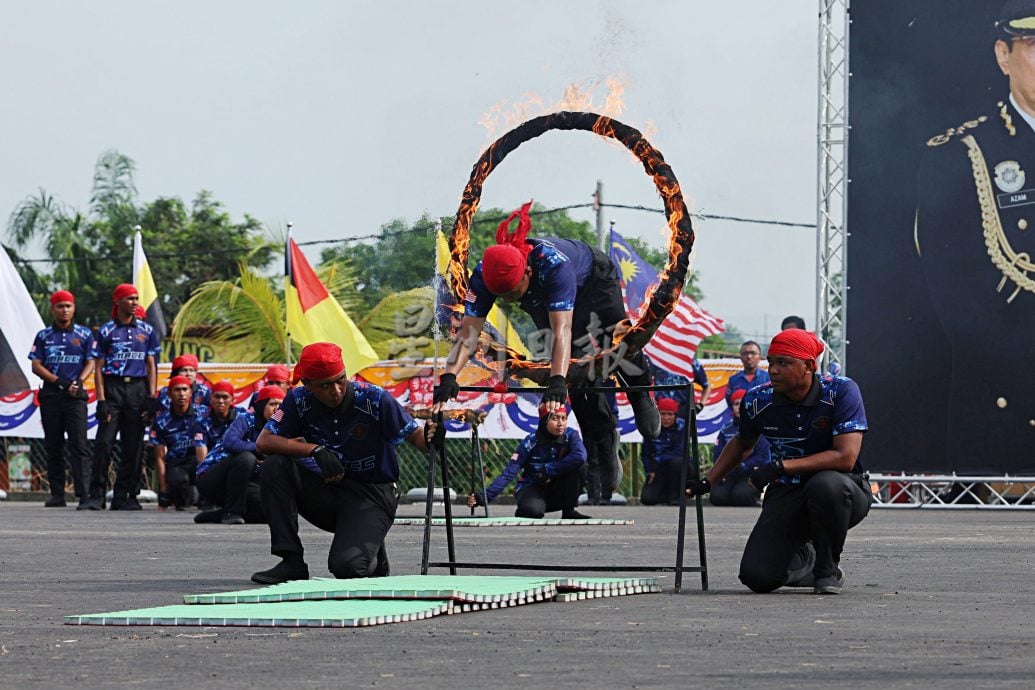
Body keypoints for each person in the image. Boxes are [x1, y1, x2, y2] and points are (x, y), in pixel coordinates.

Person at [432, 203, 661, 500]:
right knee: (576, 373)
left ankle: (640, 394)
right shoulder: (482, 276)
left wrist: (555, 381)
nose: (510, 299)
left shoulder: (553, 265)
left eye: (513, 292)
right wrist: (449, 374)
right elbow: (468, 333)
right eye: (502, 295)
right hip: (541, 296)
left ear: (526, 271)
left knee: (613, 341)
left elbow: (562, 331)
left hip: (592, 280)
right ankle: (602, 439)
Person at [914, 0, 1035, 470]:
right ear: (1003, 55)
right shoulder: (960, 155)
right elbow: (958, 302)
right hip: (1006, 407)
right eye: (1034, 46)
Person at [686, 329, 872, 595]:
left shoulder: (841, 391)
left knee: (825, 485)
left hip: (843, 490)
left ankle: (827, 570)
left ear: (809, 366)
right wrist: (708, 480)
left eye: (783, 363)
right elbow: (742, 442)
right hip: (787, 492)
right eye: (771, 362)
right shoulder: (758, 398)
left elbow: (845, 457)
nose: (773, 370)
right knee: (757, 577)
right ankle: (805, 557)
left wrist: (780, 466)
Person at [251, 342, 440, 585]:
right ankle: (291, 561)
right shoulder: (298, 400)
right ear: (308, 385)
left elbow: (416, 437)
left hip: (372, 494)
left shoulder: (374, 398)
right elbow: (264, 441)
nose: (337, 390)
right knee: (274, 465)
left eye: (340, 380)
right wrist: (314, 450)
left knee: (347, 568)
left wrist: (433, 435)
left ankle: (372, 551)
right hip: (329, 490)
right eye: (326, 385)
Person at [85, 284, 161, 511]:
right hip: (113, 389)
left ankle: (124, 495)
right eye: (130, 298)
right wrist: (101, 400)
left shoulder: (147, 331)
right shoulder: (106, 331)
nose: (135, 302)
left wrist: (151, 397)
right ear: (117, 302)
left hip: (137, 390)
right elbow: (98, 368)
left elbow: (151, 365)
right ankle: (96, 496)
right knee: (104, 444)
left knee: (134, 446)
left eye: (137, 298)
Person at [28, 290, 95, 508]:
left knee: (79, 444)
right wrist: (58, 381)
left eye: (68, 306)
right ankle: (57, 494)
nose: (64, 310)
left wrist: (79, 381)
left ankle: (84, 495)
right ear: (52, 309)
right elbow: (35, 365)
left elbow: (91, 362)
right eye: (60, 306)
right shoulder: (43, 335)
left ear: (74, 308)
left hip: (76, 396)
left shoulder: (85, 335)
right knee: (53, 444)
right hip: (51, 396)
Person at [468, 404, 590, 519]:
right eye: (555, 418)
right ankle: (528, 507)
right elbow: (508, 474)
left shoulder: (571, 435)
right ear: (544, 421)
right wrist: (483, 497)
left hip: (557, 488)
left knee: (580, 466)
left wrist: (548, 470)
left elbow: (580, 456)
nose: (560, 423)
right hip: (533, 486)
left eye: (564, 418)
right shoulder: (530, 442)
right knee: (533, 512)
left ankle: (569, 510)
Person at [195, 385, 284, 525]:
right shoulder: (246, 419)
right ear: (261, 406)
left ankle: (216, 515)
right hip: (212, 479)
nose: (277, 409)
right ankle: (232, 512)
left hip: (243, 483)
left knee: (272, 511)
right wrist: (260, 449)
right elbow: (230, 442)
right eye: (272, 404)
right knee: (247, 457)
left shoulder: (281, 429)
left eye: (281, 405)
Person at [150, 375, 208, 510]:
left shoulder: (203, 413)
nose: (181, 394)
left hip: (201, 462)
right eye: (177, 390)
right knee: (179, 490)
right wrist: (163, 490)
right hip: (177, 463)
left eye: (184, 389)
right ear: (169, 394)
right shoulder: (161, 421)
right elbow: (159, 457)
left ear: (190, 392)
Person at [710, 389, 771, 507]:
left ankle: (753, 495)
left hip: (750, 472)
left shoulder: (760, 427)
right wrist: (720, 472)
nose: (739, 407)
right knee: (717, 497)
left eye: (742, 403)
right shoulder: (725, 429)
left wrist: (744, 466)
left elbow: (763, 457)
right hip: (729, 472)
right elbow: (718, 455)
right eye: (736, 404)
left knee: (741, 496)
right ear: (732, 406)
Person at [639, 398, 687, 506]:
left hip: (677, 467)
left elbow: (679, 451)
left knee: (677, 462)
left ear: (675, 415)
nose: (666, 418)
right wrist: (649, 471)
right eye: (663, 414)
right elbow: (645, 453)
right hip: (657, 469)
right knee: (647, 499)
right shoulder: (651, 427)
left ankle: (677, 496)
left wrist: (658, 459)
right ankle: (664, 495)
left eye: (670, 414)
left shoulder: (683, 427)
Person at [647, 355, 710, 422]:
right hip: (661, 407)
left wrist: (701, 405)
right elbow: (645, 381)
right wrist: (650, 400)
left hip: (682, 408)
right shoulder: (657, 357)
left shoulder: (692, 362)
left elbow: (707, 385)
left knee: (683, 431)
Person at [194, 380, 243, 452]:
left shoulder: (242, 416)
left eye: (225, 397)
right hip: (211, 459)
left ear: (232, 400)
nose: (220, 401)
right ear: (210, 399)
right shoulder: (201, 418)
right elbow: (201, 447)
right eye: (217, 397)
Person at [724, 340, 770, 406]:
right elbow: (729, 401)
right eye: (745, 353)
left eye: (753, 353)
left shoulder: (768, 378)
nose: (749, 356)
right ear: (740, 357)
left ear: (759, 357)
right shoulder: (733, 380)